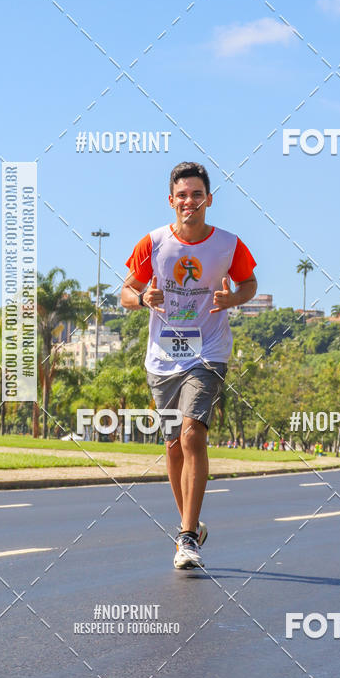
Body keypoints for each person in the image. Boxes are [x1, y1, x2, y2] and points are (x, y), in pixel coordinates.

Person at [121, 162, 257, 570]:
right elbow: (126, 291)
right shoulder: (153, 243)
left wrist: (233, 299)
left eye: (197, 194)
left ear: (209, 200)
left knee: (192, 433)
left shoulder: (228, 245)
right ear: (171, 201)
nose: (189, 202)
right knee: (171, 444)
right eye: (182, 195)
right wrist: (143, 299)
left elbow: (249, 283)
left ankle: (185, 536)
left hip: (208, 352)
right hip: (162, 358)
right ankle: (192, 526)